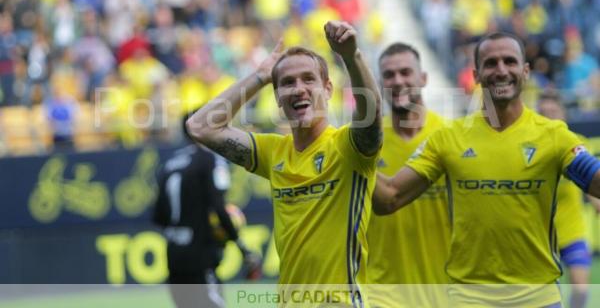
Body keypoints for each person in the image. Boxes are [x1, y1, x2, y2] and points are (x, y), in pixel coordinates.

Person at [373, 32, 600, 307]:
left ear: (525, 71)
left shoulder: (554, 136)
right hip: (471, 301)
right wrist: (347, 159)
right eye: (491, 63)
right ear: (477, 75)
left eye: (509, 61)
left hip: (539, 300)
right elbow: (390, 197)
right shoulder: (450, 138)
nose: (501, 70)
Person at [186, 21, 382, 302]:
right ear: (278, 97)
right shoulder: (273, 152)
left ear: (328, 89)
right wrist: (261, 76)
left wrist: (352, 57)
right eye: (287, 83)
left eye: (308, 79)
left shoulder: (348, 149)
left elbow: (371, 118)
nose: (298, 89)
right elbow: (200, 127)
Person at [366, 42, 450, 308]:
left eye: (405, 72)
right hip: (383, 294)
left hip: (447, 292)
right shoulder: (365, 144)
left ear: (423, 78)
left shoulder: (451, 137)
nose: (398, 81)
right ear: (380, 83)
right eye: (389, 75)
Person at [152, 116, 261, 308]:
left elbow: (159, 217)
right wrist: (241, 246)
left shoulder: (169, 164)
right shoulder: (209, 159)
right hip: (199, 255)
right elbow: (218, 206)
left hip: (174, 254)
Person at [537, 91, 592, 308]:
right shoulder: (530, 150)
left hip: (572, 232)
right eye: (544, 112)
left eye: (553, 112)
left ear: (563, 115)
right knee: (551, 299)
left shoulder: (577, 146)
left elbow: (591, 184)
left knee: (580, 289)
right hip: (542, 239)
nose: (549, 117)